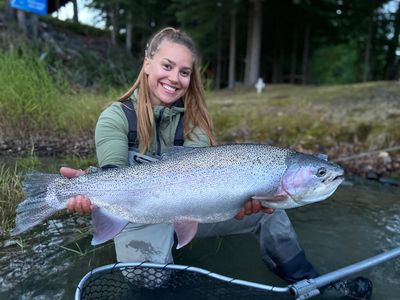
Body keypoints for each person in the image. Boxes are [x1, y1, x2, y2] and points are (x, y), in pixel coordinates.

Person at [61, 27, 372, 299]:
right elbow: (114, 174)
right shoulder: (115, 117)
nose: (174, 78)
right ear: (147, 64)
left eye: (184, 72)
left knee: (271, 214)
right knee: (147, 282)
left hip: (196, 206)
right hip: (137, 212)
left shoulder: (193, 123)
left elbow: (208, 185)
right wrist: (89, 188)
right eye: (167, 66)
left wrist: (247, 203)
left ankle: (306, 281)